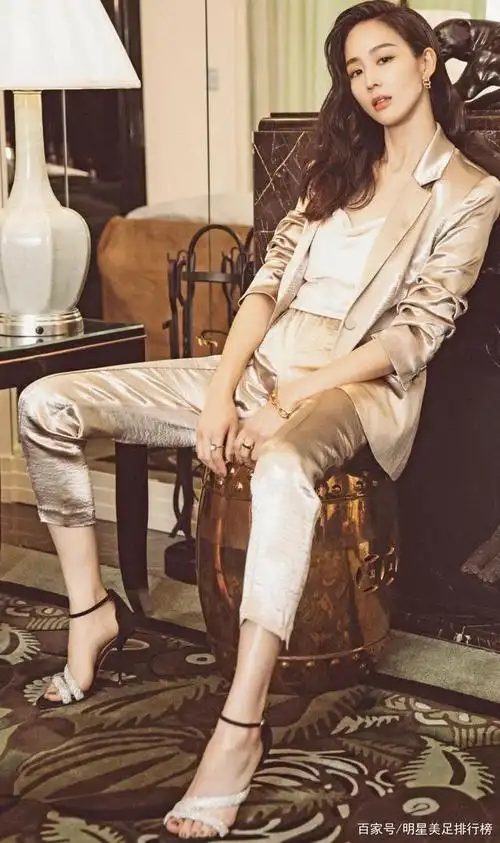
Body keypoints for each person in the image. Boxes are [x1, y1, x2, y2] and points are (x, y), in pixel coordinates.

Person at [17, 0, 500, 838]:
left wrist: (291, 401)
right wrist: (224, 388)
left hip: (354, 388)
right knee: (45, 403)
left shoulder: (470, 190)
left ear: (427, 63)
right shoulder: (335, 169)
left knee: (279, 464)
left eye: (385, 59)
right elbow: (267, 286)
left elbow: (414, 334)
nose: (371, 81)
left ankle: (241, 725)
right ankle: (92, 611)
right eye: (354, 69)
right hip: (264, 366)